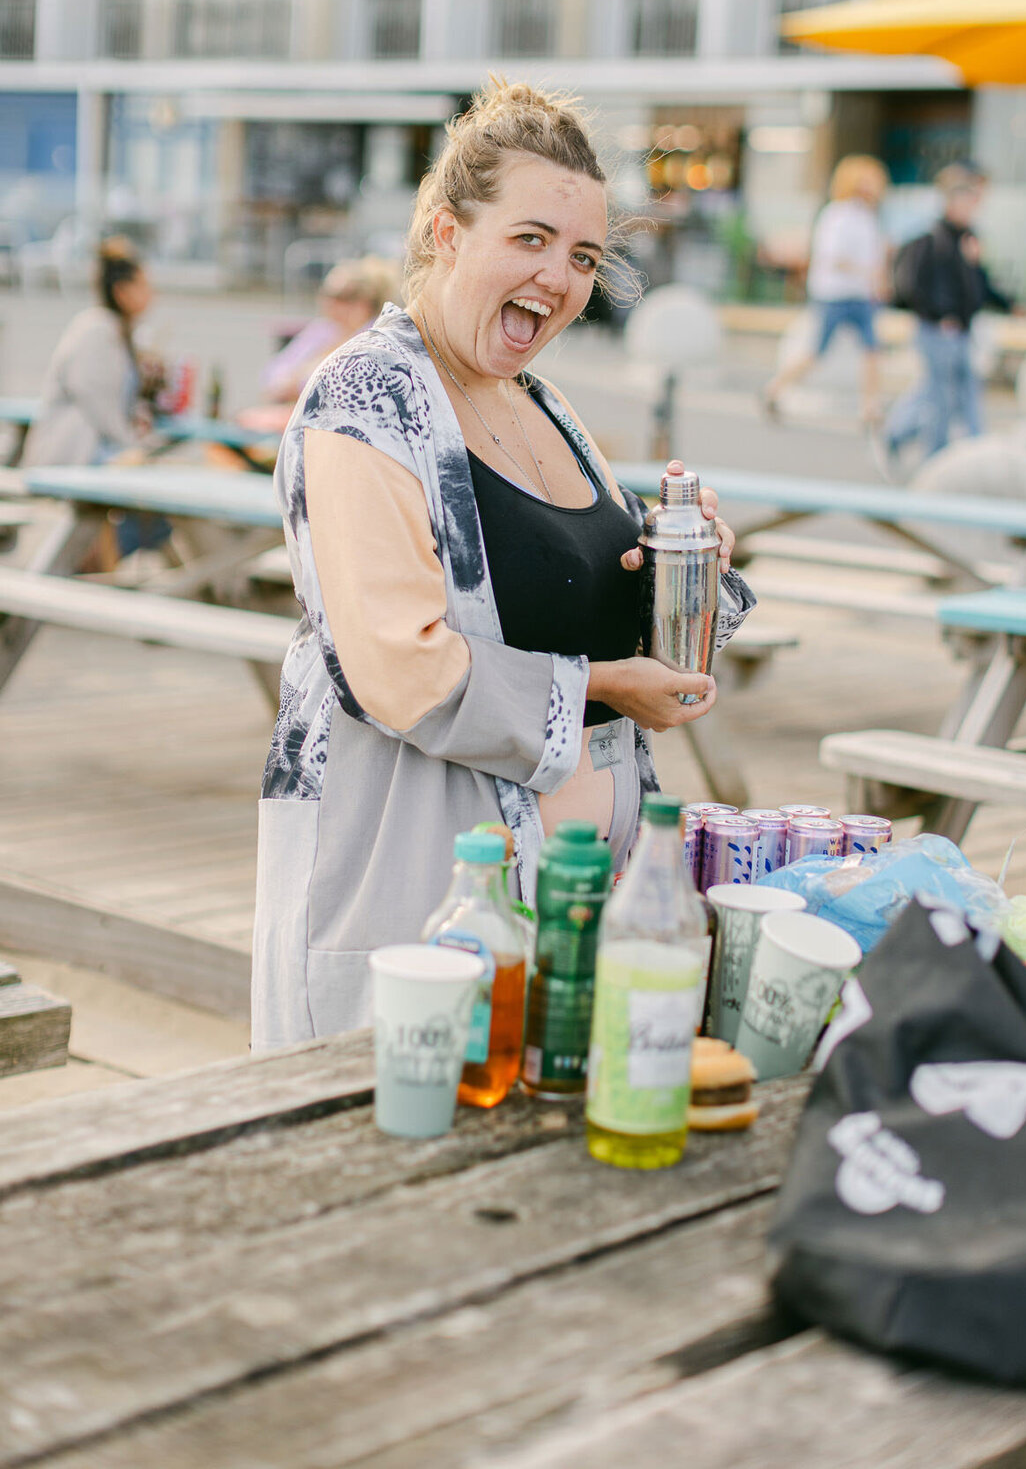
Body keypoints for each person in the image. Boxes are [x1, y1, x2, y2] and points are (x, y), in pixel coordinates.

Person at [252, 82, 754, 1049]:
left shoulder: (544, 403)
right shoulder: (367, 394)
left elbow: (584, 613)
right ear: (446, 231)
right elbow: (400, 667)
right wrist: (611, 686)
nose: (559, 278)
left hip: (574, 906)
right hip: (423, 894)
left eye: (583, 257)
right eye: (529, 239)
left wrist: (686, 577)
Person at [884, 163, 1013, 464]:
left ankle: (970, 451)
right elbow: (916, 285)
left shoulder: (968, 239)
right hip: (937, 329)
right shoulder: (933, 238)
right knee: (940, 396)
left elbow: (978, 283)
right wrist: (940, 315)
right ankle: (929, 454)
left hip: (963, 329)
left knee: (960, 392)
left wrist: (1006, 303)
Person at [763, 155, 889, 425]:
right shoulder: (838, 214)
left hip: (861, 295)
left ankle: (870, 408)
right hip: (835, 295)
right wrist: (866, 272)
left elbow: (874, 257)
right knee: (816, 351)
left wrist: (877, 280)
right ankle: (774, 388)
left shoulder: (868, 217)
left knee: (872, 351)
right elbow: (833, 257)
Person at [24, 237, 155, 468]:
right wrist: (131, 444)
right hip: (75, 454)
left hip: (99, 452)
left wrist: (138, 413)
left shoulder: (122, 332)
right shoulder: (96, 330)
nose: (150, 294)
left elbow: (121, 399)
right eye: (143, 286)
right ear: (121, 292)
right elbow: (99, 404)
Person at [243, 255, 401, 431]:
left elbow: (342, 395)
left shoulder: (375, 341)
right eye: (326, 294)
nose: (328, 302)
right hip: (299, 419)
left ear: (366, 301)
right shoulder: (322, 330)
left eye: (341, 296)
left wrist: (297, 386)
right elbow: (272, 374)